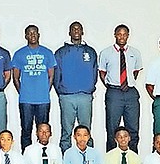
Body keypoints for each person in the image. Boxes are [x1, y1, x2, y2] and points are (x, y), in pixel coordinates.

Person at [54, 21, 98, 153]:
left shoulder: (90, 52)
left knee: (86, 131)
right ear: (70, 33)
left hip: (85, 96)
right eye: (73, 29)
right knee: (67, 131)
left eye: (79, 29)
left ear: (82, 32)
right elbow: (56, 75)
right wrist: (62, 91)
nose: (76, 31)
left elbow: (94, 73)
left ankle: (89, 162)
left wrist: (89, 88)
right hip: (67, 97)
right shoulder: (61, 52)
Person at [11, 25, 57, 151]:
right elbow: (15, 78)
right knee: (26, 131)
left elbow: (51, 76)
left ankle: (42, 157)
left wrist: (44, 91)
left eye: (35, 33)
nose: (32, 35)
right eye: (29, 33)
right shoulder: (19, 54)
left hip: (43, 100)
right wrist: (24, 92)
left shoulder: (47, 53)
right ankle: (27, 161)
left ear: (39, 35)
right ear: (26, 36)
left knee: (43, 131)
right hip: (26, 100)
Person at [99, 24, 143, 152]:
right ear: (115, 35)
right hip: (114, 93)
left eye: (124, 34)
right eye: (119, 34)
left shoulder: (135, 52)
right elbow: (102, 72)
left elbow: (135, 72)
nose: (122, 37)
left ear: (128, 36)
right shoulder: (106, 52)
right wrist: (112, 85)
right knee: (112, 128)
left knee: (133, 129)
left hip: (131, 93)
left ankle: (133, 162)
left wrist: (127, 83)